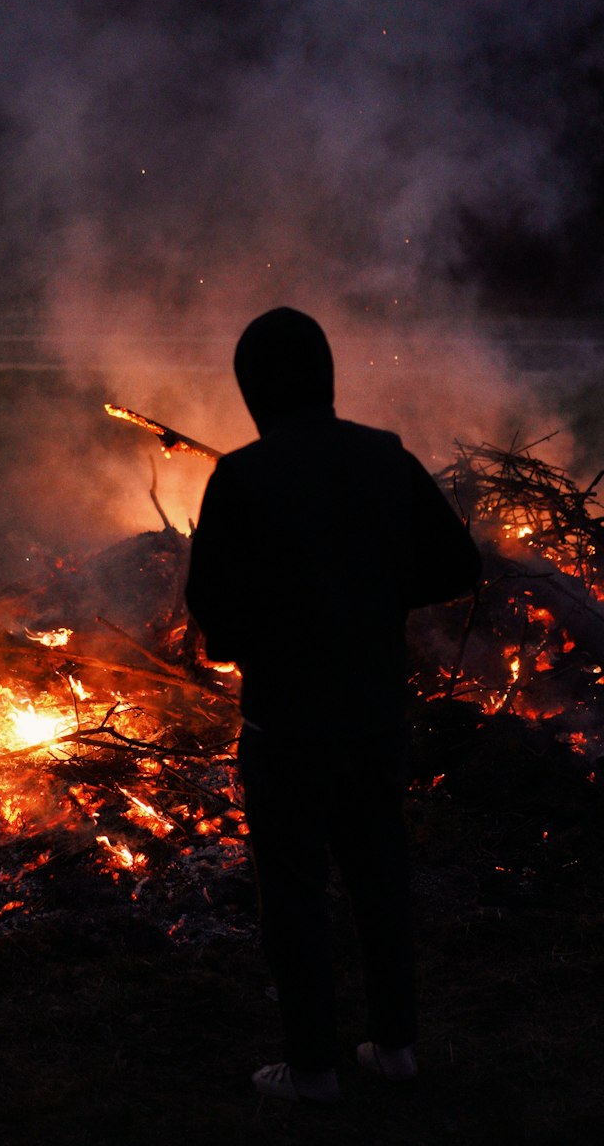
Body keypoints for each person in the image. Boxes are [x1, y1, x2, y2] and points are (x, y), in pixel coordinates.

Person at [184, 307, 481, 1104]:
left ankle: (312, 1068)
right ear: (327, 378)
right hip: (374, 718)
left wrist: (253, 638)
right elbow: (458, 562)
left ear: (252, 392)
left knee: (292, 892)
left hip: (284, 726)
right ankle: (396, 1048)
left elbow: (211, 606)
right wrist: (381, 600)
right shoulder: (386, 459)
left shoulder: (241, 477)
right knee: (380, 879)